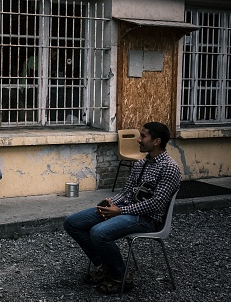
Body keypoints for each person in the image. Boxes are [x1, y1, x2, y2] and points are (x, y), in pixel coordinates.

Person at [63, 122, 181, 294]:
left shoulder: (170, 168)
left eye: (143, 136)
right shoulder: (141, 164)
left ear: (156, 141)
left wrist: (120, 211)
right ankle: (105, 265)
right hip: (124, 210)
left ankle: (120, 276)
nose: (138, 140)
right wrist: (111, 202)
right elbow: (126, 192)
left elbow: (156, 203)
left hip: (147, 220)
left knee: (98, 232)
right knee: (72, 223)